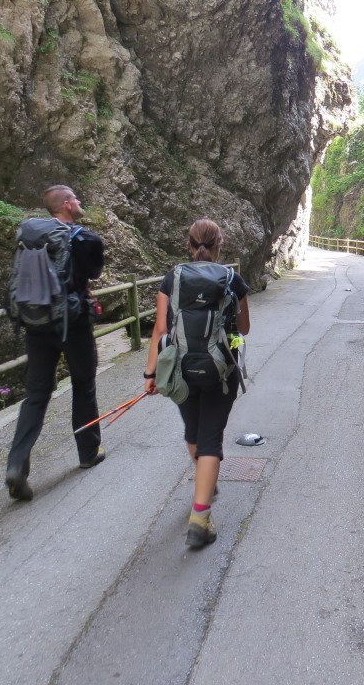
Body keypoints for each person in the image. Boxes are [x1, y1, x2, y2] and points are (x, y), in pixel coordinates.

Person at [144, 219, 251, 548]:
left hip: (180, 370)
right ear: (220, 244)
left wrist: (151, 374)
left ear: (189, 245)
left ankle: (205, 479)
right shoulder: (232, 279)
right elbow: (244, 328)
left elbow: (160, 330)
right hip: (221, 371)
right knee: (211, 440)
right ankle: (200, 519)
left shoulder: (172, 278)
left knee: (193, 431)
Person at [5, 185, 106, 501]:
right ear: (66, 204)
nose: (79, 201)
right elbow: (94, 273)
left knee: (36, 395)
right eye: (75, 198)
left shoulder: (31, 237)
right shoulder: (85, 239)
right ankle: (88, 451)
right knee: (83, 385)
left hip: (36, 323)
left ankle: (17, 464)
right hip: (73, 324)